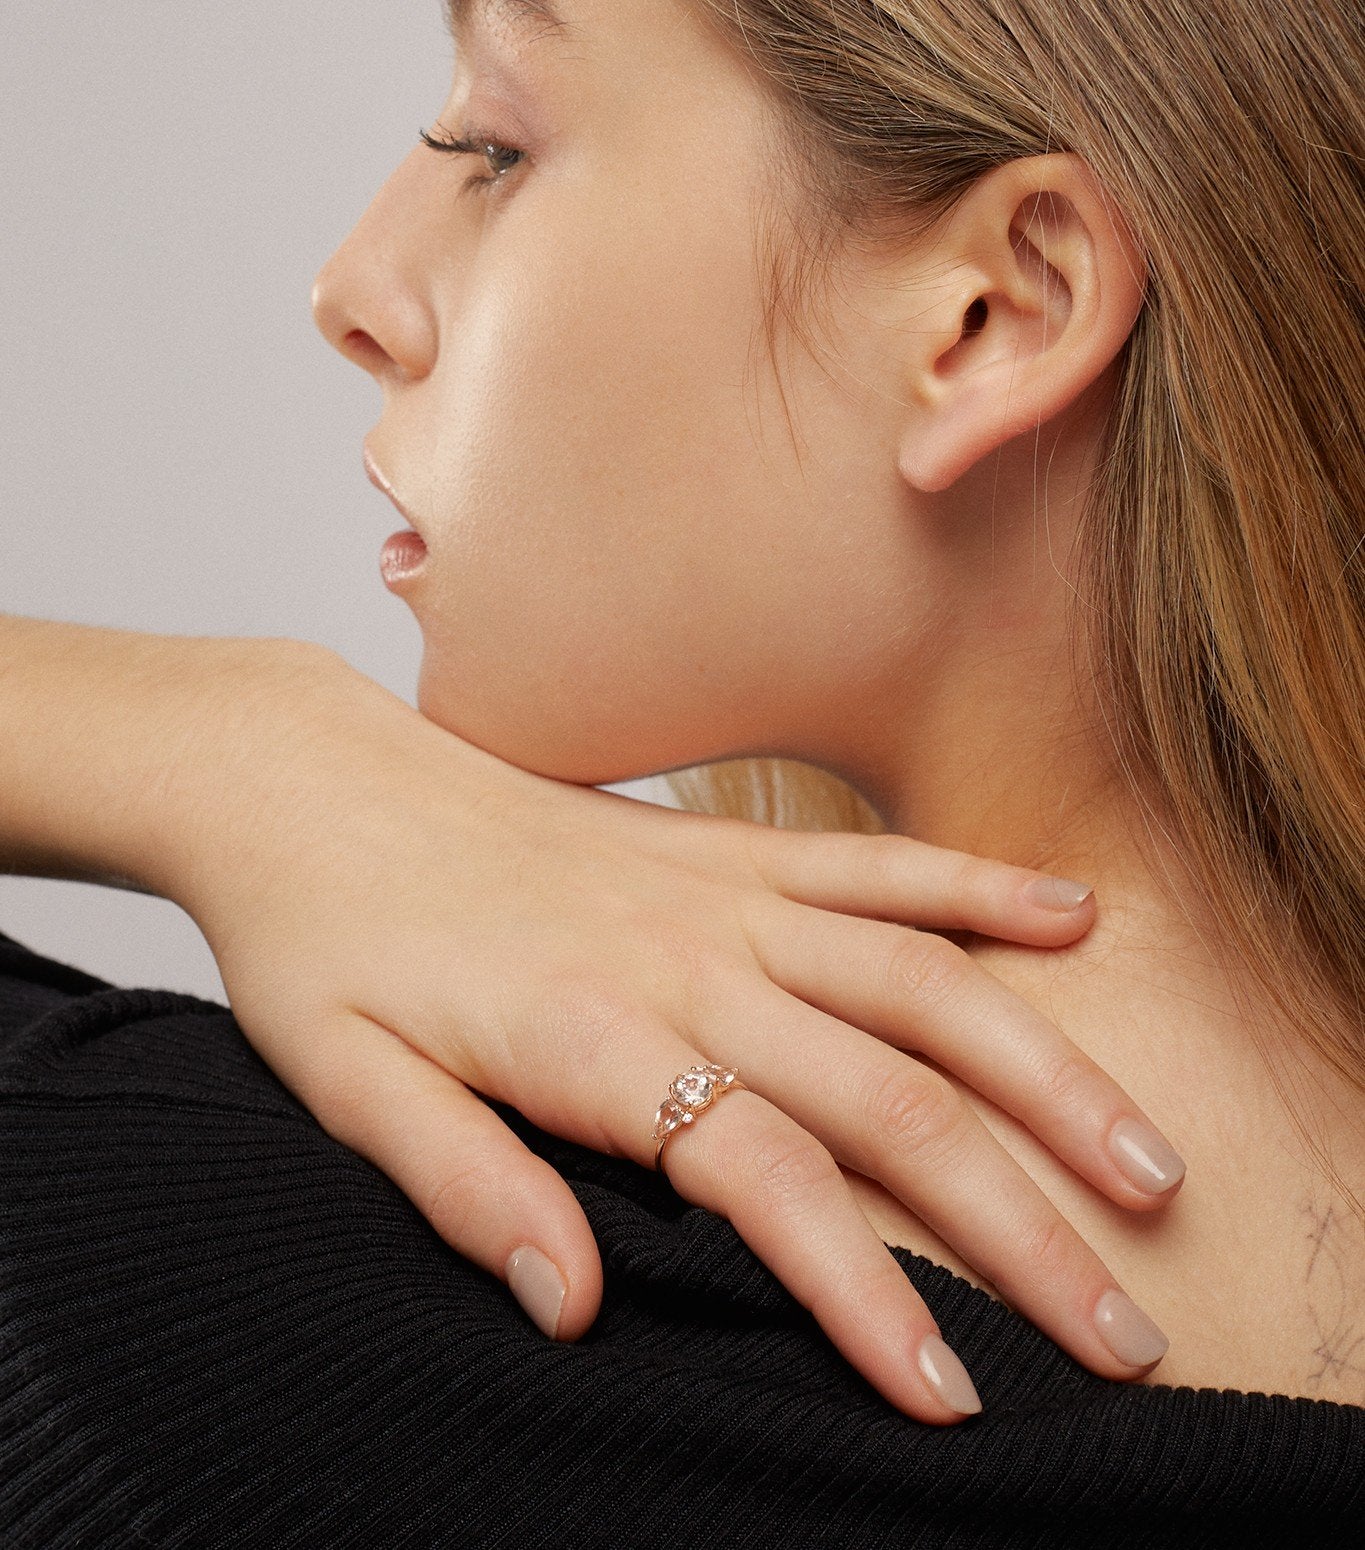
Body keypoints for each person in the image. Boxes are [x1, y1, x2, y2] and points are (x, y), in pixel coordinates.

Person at [2, 0, 1363, 1542]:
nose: (351, 289)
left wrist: (236, 752)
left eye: (492, 144)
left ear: (998, 312)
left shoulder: (182, 1307)